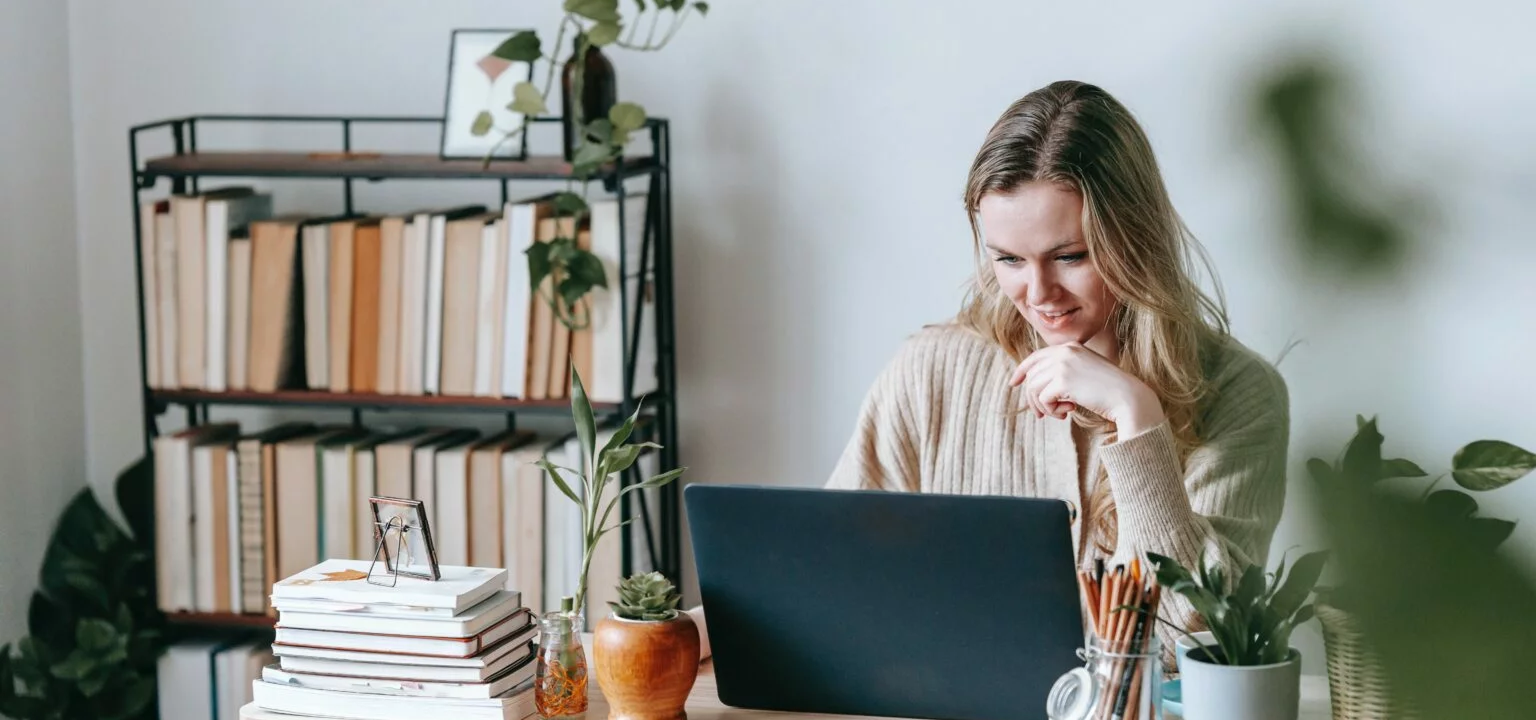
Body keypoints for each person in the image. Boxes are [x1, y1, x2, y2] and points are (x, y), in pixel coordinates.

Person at [687, 79, 1290, 665]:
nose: (1038, 293)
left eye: (1070, 256)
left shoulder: (1240, 394)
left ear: (1134, 238)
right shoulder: (931, 371)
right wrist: (678, 628)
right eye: (1008, 259)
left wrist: (1137, 419)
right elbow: (826, 568)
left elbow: (1204, 640)